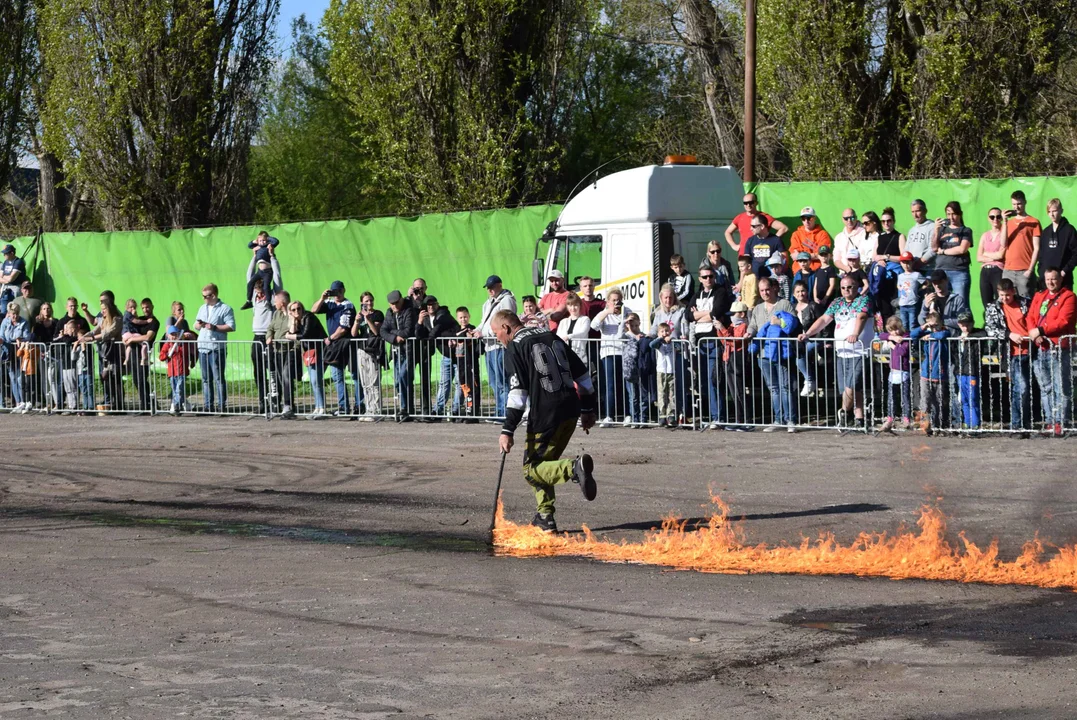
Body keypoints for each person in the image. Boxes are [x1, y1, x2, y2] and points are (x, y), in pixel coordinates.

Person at [495, 310, 597, 534]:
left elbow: (518, 393)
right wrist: (588, 408)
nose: (498, 340)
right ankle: (545, 517)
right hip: (570, 409)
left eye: (497, 334)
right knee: (544, 462)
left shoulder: (515, 347)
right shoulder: (550, 335)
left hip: (546, 414)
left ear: (506, 328)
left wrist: (507, 429)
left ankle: (573, 468)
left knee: (531, 469)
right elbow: (583, 375)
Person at [798, 276, 874, 431]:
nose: (847, 290)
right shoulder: (837, 302)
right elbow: (824, 319)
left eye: (850, 287)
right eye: (844, 287)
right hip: (841, 351)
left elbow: (862, 316)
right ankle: (859, 418)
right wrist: (808, 333)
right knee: (849, 388)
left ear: (857, 286)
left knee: (852, 386)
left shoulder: (864, 300)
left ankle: (844, 413)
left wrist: (855, 333)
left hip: (859, 350)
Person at [1027, 267, 1076, 436]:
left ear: (1060, 279)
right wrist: (1035, 335)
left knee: (1061, 387)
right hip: (1041, 348)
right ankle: (1049, 421)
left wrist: (1041, 330)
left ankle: (1061, 422)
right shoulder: (1039, 296)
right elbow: (1030, 317)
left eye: (1053, 279)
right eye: (1048, 279)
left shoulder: (1069, 296)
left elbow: (1063, 321)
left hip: (1059, 349)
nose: (1050, 282)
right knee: (1045, 387)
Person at [749, 277, 799, 433]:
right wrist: (748, 333)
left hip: (782, 352)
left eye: (767, 289)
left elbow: (793, 324)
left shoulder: (784, 304)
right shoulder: (757, 308)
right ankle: (778, 419)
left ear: (774, 288)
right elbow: (753, 326)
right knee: (773, 388)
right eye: (762, 290)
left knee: (785, 387)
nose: (765, 293)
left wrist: (779, 323)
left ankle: (790, 419)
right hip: (764, 354)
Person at [983, 279, 1032, 433]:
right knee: (1020, 388)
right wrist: (1009, 334)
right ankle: (1017, 424)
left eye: (1008, 295)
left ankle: (1027, 423)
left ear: (1014, 291)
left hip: (1032, 350)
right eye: (1002, 295)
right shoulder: (993, 307)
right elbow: (990, 329)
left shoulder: (1026, 303)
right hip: (1011, 352)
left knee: (1031, 389)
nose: (1005, 298)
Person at [312, 280, 357, 417]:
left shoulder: (348, 305)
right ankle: (343, 406)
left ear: (344, 290)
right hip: (333, 343)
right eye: (334, 291)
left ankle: (351, 406)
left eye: (339, 291)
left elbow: (343, 328)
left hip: (342, 343)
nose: (337, 294)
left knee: (349, 375)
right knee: (336, 376)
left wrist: (330, 338)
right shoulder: (329, 303)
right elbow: (314, 310)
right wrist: (322, 298)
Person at [474, 275, 516, 418]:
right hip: (489, 347)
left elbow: (506, 324)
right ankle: (499, 411)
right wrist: (476, 331)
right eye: (488, 288)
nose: (490, 290)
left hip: (500, 346)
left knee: (502, 381)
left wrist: (484, 333)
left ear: (500, 285)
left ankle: (505, 413)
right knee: (494, 381)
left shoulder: (507, 300)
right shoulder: (488, 303)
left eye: (492, 287)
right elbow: (483, 321)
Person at [691, 267, 728, 429]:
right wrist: (706, 314)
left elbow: (718, 311)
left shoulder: (720, 292)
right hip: (700, 343)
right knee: (704, 381)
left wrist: (699, 315)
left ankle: (717, 417)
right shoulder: (697, 294)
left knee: (715, 380)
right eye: (705, 277)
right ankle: (710, 416)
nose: (708, 279)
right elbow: (688, 315)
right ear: (700, 279)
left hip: (714, 341)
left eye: (710, 276)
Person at [592, 288, 631, 426]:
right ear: (608, 302)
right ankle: (609, 415)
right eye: (613, 300)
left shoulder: (627, 312)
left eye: (618, 300)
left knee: (626, 384)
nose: (616, 303)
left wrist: (627, 320)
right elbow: (594, 326)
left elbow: (634, 327)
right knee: (610, 385)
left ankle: (628, 414)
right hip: (608, 352)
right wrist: (608, 311)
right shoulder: (604, 314)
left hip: (624, 352)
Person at [194, 284, 236, 413]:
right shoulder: (202, 308)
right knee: (206, 379)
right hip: (203, 346)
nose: (204, 299)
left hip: (216, 347)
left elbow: (231, 326)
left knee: (218, 378)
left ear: (213, 295)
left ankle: (221, 405)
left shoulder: (226, 308)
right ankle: (208, 405)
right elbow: (195, 325)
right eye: (203, 296)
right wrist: (199, 325)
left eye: (205, 296)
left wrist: (214, 327)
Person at [81, 295, 124, 412]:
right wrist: (82, 338)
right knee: (106, 378)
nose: (102, 312)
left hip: (115, 353)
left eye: (104, 309)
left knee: (116, 379)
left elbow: (108, 333)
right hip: (105, 353)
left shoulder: (117, 319)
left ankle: (120, 405)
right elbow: (94, 330)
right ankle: (110, 403)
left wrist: (92, 338)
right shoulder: (103, 320)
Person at [286, 299, 328, 417]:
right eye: (293, 309)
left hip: (319, 350)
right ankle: (317, 407)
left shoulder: (308, 316)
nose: (297, 311)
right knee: (313, 381)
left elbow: (305, 335)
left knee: (316, 380)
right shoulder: (297, 320)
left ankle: (322, 408)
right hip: (309, 352)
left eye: (298, 308)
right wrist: (293, 321)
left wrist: (289, 336)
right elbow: (292, 331)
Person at [381, 289, 419, 420]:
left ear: (402, 300)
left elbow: (408, 331)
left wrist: (392, 332)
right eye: (392, 304)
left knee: (404, 377)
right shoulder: (389, 313)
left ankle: (406, 408)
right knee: (398, 380)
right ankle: (406, 408)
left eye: (397, 303)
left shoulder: (409, 311)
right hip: (396, 352)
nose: (394, 306)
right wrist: (394, 338)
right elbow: (383, 330)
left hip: (409, 350)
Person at [911, 312, 951, 434]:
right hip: (926, 373)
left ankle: (938, 426)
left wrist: (932, 335)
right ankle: (926, 425)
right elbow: (913, 335)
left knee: (938, 402)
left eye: (936, 325)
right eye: (931, 326)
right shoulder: (927, 333)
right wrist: (924, 326)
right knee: (925, 401)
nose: (934, 328)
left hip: (939, 373)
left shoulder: (945, 333)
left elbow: (942, 335)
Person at [418, 295, 457, 417]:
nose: (431, 307)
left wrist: (429, 339)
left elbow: (436, 329)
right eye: (428, 305)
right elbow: (418, 335)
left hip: (459, 353)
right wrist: (419, 322)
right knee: (444, 383)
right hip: (446, 354)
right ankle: (438, 409)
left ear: (437, 304)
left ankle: (456, 410)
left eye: (433, 304)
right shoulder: (425, 318)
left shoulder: (443, 314)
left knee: (460, 384)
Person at [247, 264, 276, 414]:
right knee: (258, 371)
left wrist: (272, 258)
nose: (259, 295)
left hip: (269, 337)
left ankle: (275, 399)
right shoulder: (255, 299)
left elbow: (277, 279)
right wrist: (254, 257)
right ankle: (262, 400)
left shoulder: (271, 298)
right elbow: (249, 277)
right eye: (257, 292)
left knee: (272, 369)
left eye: (261, 292)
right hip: (257, 337)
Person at [931, 201, 973, 304]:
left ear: (960, 214)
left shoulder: (966, 230)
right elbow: (934, 248)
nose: (951, 217)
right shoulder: (942, 230)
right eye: (948, 214)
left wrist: (943, 251)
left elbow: (962, 249)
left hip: (959, 271)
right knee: (941, 303)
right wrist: (936, 230)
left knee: (961, 303)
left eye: (954, 214)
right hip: (941, 271)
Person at [719, 301, 752, 430]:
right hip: (728, 358)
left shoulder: (743, 326)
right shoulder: (732, 325)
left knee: (739, 390)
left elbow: (735, 342)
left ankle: (746, 419)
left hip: (737, 358)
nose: (732, 316)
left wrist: (722, 329)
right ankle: (739, 419)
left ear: (742, 314)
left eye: (735, 313)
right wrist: (719, 330)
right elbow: (725, 341)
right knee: (734, 392)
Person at [351, 298, 386, 421]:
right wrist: (356, 321)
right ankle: (368, 409)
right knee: (365, 382)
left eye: (370, 300)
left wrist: (368, 319)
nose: (369, 303)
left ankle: (376, 409)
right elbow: (354, 334)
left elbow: (376, 331)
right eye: (366, 301)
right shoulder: (360, 315)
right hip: (362, 350)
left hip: (374, 350)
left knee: (373, 381)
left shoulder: (378, 314)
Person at [1003, 189, 1041, 299]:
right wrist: (1004, 222)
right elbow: (1003, 244)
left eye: (1019, 204)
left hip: (1025, 271)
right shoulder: (1009, 223)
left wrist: (1030, 270)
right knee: (1008, 304)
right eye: (1014, 204)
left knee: (1027, 303)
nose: (1016, 207)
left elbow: (1037, 248)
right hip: (1008, 271)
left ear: (1025, 202)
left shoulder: (1034, 222)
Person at [266, 290, 297, 418]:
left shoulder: (293, 313)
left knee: (286, 377)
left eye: (276, 301)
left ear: (282, 302)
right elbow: (270, 328)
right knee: (280, 378)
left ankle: (288, 405)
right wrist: (269, 336)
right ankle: (284, 405)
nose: (274, 303)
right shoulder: (276, 314)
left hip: (290, 350)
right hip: (277, 350)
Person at [877, 315, 912, 433]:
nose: (895, 332)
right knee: (891, 397)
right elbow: (880, 336)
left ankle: (906, 418)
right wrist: (891, 337)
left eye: (896, 329)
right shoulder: (891, 337)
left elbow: (902, 351)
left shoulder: (906, 337)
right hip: (893, 372)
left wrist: (893, 344)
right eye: (891, 330)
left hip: (904, 372)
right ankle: (890, 418)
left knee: (905, 397)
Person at [124, 298, 160, 412]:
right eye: (143, 308)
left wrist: (131, 340)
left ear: (152, 307)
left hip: (144, 355)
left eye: (147, 307)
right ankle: (152, 402)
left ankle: (146, 405)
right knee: (136, 379)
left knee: (141, 379)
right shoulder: (139, 319)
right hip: (134, 352)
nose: (145, 310)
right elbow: (131, 325)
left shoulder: (154, 322)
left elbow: (148, 337)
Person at [953, 312, 986, 430]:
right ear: (958, 325)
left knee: (973, 398)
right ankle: (967, 422)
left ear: (972, 323)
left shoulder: (978, 333)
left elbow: (984, 333)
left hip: (973, 371)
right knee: (964, 399)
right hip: (960, 372)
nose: (965, 327)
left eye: (968, 324)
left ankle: (975, 424)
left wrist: (969, 337)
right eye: (962, 325)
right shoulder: (955, 335)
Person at [449, 306, 482, 420]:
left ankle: (473, 413)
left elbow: (470, 336)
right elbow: (453, 337)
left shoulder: (471, 329)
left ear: (469, 316)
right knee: (464, 387)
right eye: (461, 317)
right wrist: (452, 341)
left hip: (471, 362)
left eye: (465, 317)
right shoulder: (455, 330)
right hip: (460, 362)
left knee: (473, 386)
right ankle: (467, 410)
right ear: (458, 318)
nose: (463, 319)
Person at [1037, 199, 1077, 290]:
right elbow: (1041, 255)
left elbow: (1076, 254)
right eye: (1049, 211)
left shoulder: (1069, 230)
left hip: (1064, 280)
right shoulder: (1046, 232)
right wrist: (1041, 272)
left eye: (1054, 211)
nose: (1052, 214)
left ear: (1061, 211)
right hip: (1046, 282)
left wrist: (1064, 271)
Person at [159, 325, 198, 415]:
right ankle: (182, 406)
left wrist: (192, 362)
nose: (173, 336)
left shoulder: (184, 344)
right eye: (171, 335)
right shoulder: (167, 345)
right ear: (168, 336)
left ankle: (176, 406)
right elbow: (161, 357)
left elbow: (190, 353)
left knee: (179, 389)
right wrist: (167, 353)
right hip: (172, 372)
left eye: (175, 334)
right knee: (176, 390)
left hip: (182, 371)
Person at [791, 280, 821, 396]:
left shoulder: (813, 306)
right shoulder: (792, 307)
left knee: (800, 354)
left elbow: (823, 324)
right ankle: (805, 380)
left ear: (807, 292)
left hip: (814, 339)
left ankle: (809, 381)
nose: (800, 294)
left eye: (802, 291)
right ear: (794, 294)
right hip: (799, 341)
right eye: (797, 292)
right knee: (797, 351)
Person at [0, 304, 30, 411]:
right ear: (9, 313)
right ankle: (18, 402)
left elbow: (27, 336)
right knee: (13, 378)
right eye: (13, 314)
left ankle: (24, 401)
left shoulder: (24, 322)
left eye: (17, 313)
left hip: (20, 352)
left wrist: (19, 338)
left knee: (20, 378)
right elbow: (2, 336)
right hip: (8, 352)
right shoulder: (5, 322)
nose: (15, 316)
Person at [977, 207, 1007, 307]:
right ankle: (990, 322)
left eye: (998, 217)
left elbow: (1001, 255)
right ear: (988, 218)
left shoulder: (1004, 233)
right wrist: (992, 257)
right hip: (985, 271)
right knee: (986, 303)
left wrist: (985, 253)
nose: (995, 219)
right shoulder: (985, 235)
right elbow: (978, 257)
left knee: (1000, 301)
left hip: (998, 270)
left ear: (1002, 218)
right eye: (992, 217)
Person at [649, 322, 676, 427]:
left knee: (671, 393)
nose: (665, 333)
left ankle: (671, 414)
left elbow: (679, 347)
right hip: (661, 371)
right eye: (662, 331)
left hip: (671, 371)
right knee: (662, 393)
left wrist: (672, 340)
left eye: (667, 331)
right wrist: (660, 338)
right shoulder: (658, 343)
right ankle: (662, 415)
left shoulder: (673, 341)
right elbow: (651, 345)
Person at [241, 241, 282, 310]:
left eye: (262, 293)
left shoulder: (274, 296)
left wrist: (272, 256)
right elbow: (249, 275)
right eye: (257, 293)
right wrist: (255, 256)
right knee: (250, 283)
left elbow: (277, 275)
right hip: (260, 271)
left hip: (271, 320)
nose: (259, 295)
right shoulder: (254, 297)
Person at [788, 207, 831, 271]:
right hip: (800, 271)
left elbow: (824, 255)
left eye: (809, 218)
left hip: (818, 270)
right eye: (803, 219)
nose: (806, 221)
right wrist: (815, 256)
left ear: (814, 218)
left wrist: (801, 256)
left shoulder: (823, 234)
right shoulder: (796, 235)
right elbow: (794, 255)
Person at [556, 294, 591, 363]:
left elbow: (582, 333)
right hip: (564, 357)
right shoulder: (563, 321)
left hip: (580, 357)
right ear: (567, 306)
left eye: (575, 305)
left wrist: (568, 336)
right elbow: (558, 337)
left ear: (580, 306)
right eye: (570, 305)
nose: (573, 308)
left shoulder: (585, 319)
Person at [895, 252, 924, 336]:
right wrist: (900, 288)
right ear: (901, 263)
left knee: (912, 324)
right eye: (904, 262)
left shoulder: (916, 275)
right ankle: (906, 342)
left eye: (908, 262)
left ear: (912, 262)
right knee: (904, 325)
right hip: (902, 304)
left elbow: (926, 283)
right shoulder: (900, 276)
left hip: (912, 303)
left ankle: (913, 344)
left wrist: (919, 290)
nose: (906, 265)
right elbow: (899, 285)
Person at [906, 199, 936, 273]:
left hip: (927, 270)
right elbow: (906, 249)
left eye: (917, 211)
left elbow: (933, 250)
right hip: (912, 270)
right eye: (913, 212)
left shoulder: (933, 227)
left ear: (925, 211)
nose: (915, 215)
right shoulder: (912, 230)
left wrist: (919, 263)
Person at [0, 244, 26, 315]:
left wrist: (5, 277)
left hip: (16, 289)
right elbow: (1, 277)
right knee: (3, 312)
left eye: (5, 253)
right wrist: (7, 279)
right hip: (5, 289)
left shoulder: (18, 262)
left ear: (12, 253)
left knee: (15, 310)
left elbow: (11, 278)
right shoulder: (5, 262)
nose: (4, 255)